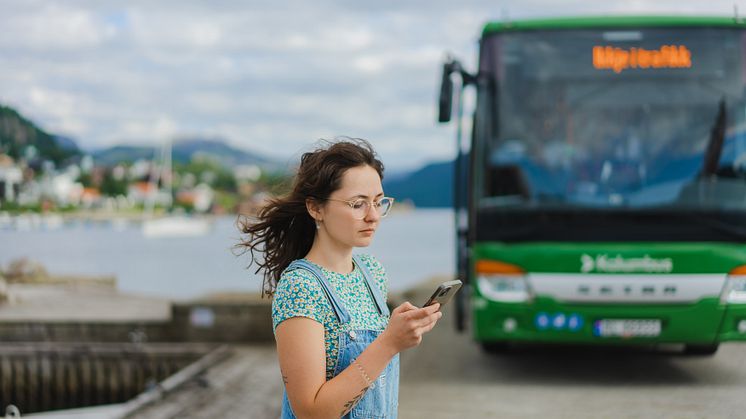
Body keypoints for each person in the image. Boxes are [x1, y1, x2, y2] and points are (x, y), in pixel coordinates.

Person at [237, 138, 443, 418]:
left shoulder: (372, 273)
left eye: (379, 202)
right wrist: (389, 343)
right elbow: (310, 412)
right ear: (315, 208)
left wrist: (400, 332)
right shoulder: (301, 287)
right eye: (358, 204)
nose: (373, 216)